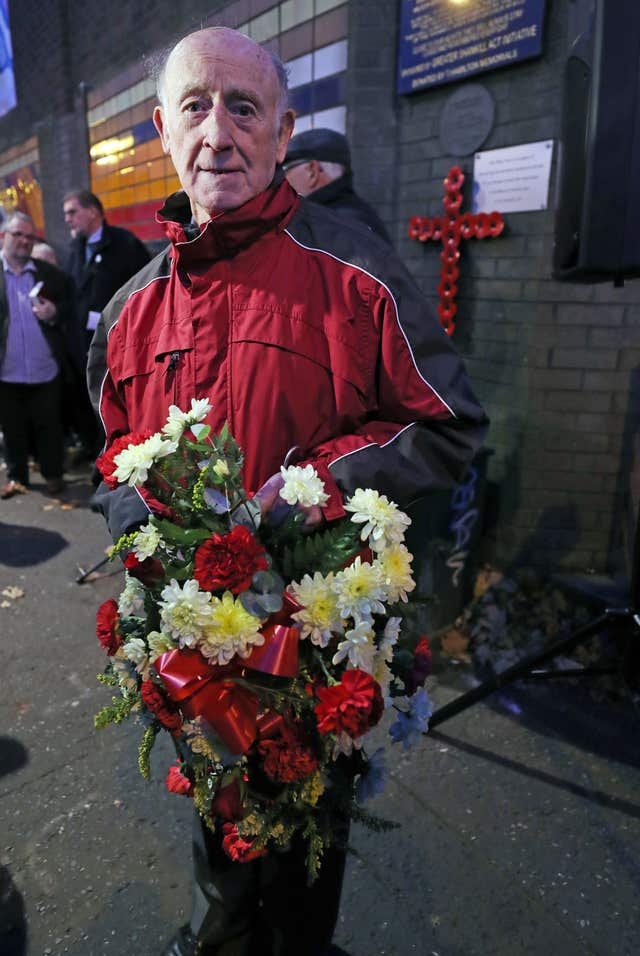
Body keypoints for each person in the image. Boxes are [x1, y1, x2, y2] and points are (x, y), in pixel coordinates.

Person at [87, 26, 488, 956]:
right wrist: (143, 523)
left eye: (243, 107)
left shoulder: (356, 275)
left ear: (281, 131)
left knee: (311, 848)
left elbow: (449, 422)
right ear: (162, 129)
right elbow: (110, 453)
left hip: (318, 645)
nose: (217, 132)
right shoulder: (128, 308)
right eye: (195, 106)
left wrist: (319, 486)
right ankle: (221, 937)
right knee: (219, 834)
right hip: (199, 640)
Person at [0, 212, 75, 498]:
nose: (24, 241)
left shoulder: (49, 274)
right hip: (6, 371)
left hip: (45, 368)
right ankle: (17, 477)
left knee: (49, 427)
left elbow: (70, 305)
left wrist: (54, 312)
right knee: (12, 429)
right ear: (4, 235)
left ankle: (53, 475)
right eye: (18, 234)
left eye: (30, 236)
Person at [63, 189, 151, 354]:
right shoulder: (74, 248)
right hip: (81, 347)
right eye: (65, 214)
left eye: (72, 212)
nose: (67, 219)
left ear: (93, 212)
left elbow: (145, 290)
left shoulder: (125, 243)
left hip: (117, 343)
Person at [283, 128, 392, 243]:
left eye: (285, 170)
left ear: (312, 171)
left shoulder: (331, 226)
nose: (281, 180)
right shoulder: (352, 219)